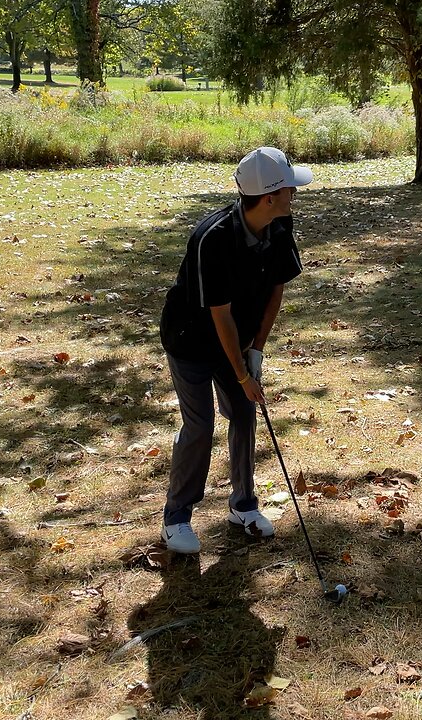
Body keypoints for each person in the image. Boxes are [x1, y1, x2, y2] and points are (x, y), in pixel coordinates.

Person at [157, 146, 312, 554]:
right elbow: (219, 316)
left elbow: (276, 287)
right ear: (268, 197)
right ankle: (177, 517)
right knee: (200, 426)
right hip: (190, 341)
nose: (294, 195)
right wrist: (242, 375)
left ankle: (242, 506)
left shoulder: (279, 226)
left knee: (243, 413)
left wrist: (256, 350)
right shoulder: (213, 238)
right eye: (289, 190)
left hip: (236, 338)